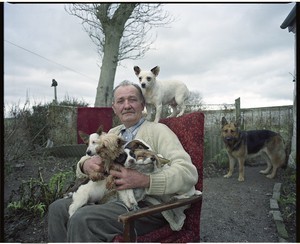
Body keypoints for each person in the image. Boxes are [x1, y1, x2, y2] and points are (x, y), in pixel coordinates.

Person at [48, 80, 198, 242]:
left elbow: (187, 172)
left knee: (83, 218)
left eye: (132, 99)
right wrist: (85, 165)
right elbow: (89, 157)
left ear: (143, 104)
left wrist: (146, 180)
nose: (126, 105)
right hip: (109, 197)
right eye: (120, 101)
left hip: (147, 206)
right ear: (114, 108)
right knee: (56, 209)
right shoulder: (112, 133)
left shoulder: (159, 131)